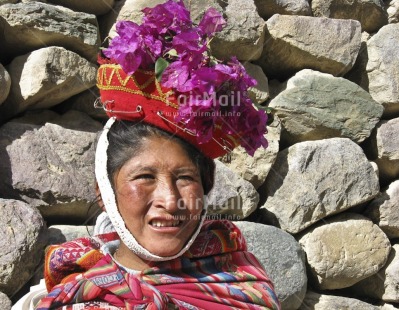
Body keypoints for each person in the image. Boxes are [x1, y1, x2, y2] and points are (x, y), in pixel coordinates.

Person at [34, 1, 280, 309]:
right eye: (145, 177)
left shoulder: (243, 281)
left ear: (205, 186)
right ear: (105, 192)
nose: (169, 199)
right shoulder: (72, 292)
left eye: (186, 177)